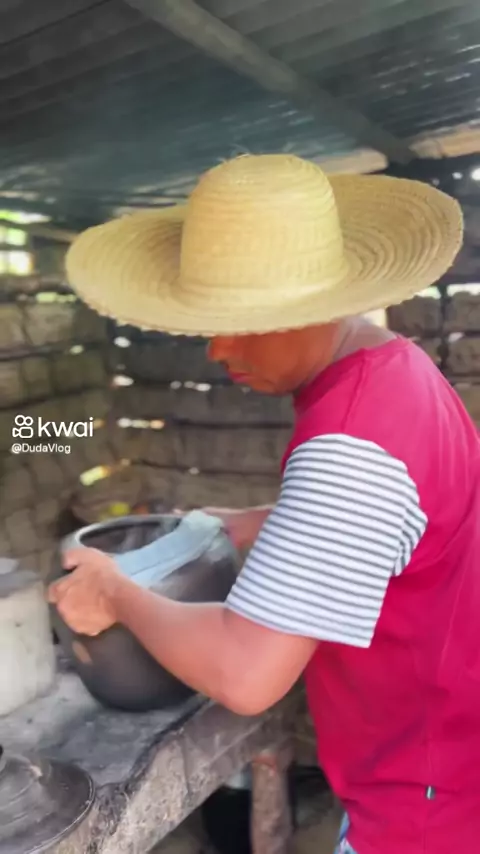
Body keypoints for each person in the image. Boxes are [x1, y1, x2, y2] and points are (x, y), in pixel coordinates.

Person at [48, 154, 479, 854]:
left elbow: (245, 673)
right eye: (209, 321)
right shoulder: (398, 370)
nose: (218, 347)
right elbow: (403, 519)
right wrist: (261, 523)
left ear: (321, 303)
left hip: (426, 810)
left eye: (246, 321)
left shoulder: (348, 444)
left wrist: (116, 594)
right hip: (443, 756)